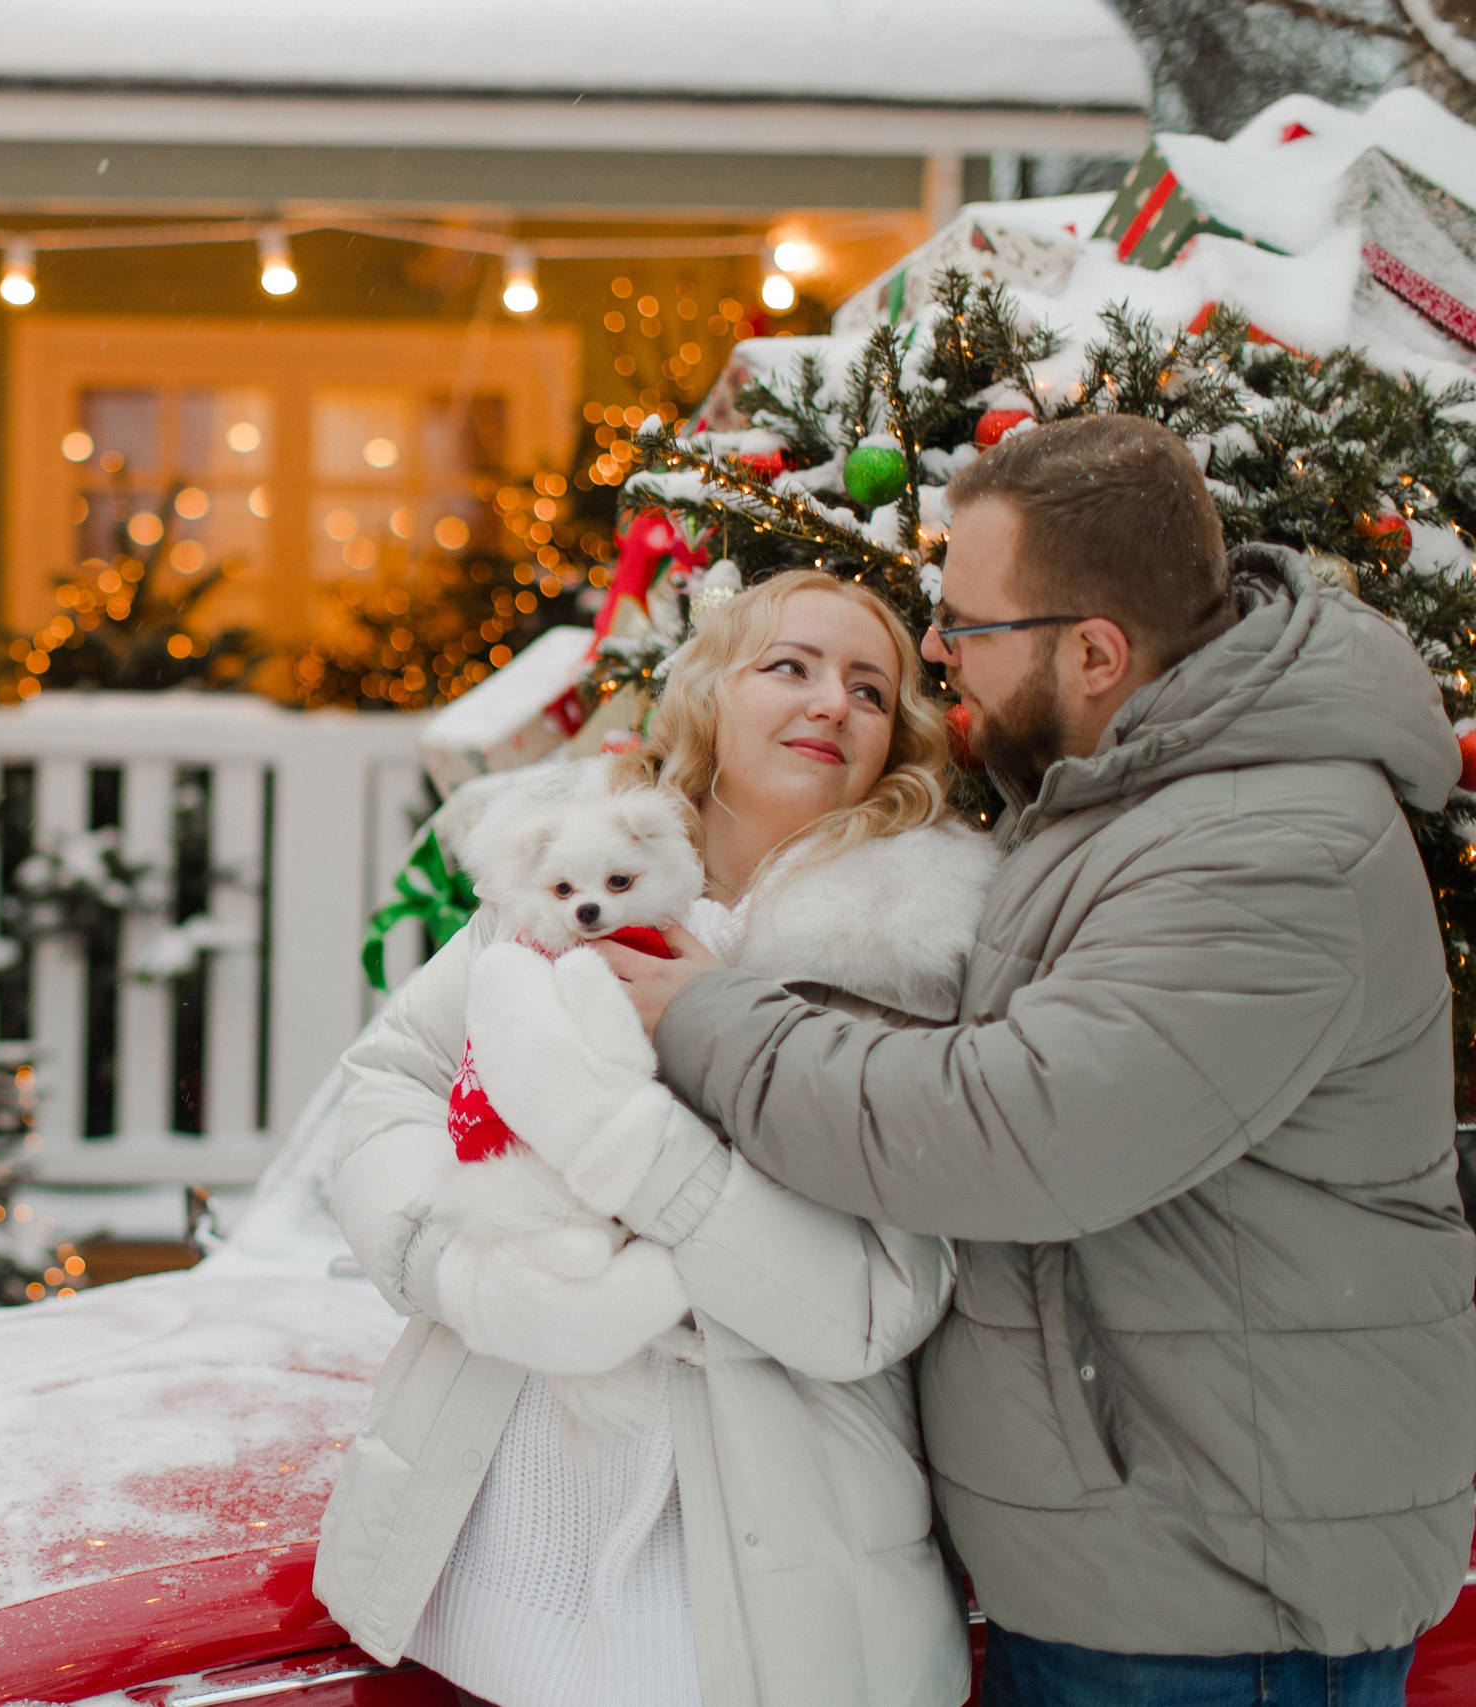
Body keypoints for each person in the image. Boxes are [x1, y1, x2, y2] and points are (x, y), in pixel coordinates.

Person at [569, 415, 1476, 1706]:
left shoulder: (1271, 844)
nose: (937, 651)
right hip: (1137, 1563)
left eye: (966, 624)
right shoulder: (1133, 793)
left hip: (1219, 1619)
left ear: (1096, 651)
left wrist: (708, 1017)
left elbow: (1014, 1130)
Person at [316, 570, 995, 1707]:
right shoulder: (565, 881)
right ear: (708, 695)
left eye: (871, 690)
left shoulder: (911, 970)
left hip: (743, 1602)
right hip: (487, 1541)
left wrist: (631, 1147)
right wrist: (461, 1271)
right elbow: (391, 1085)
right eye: (790, 666)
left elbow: (876, 1300)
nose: (833, 702)